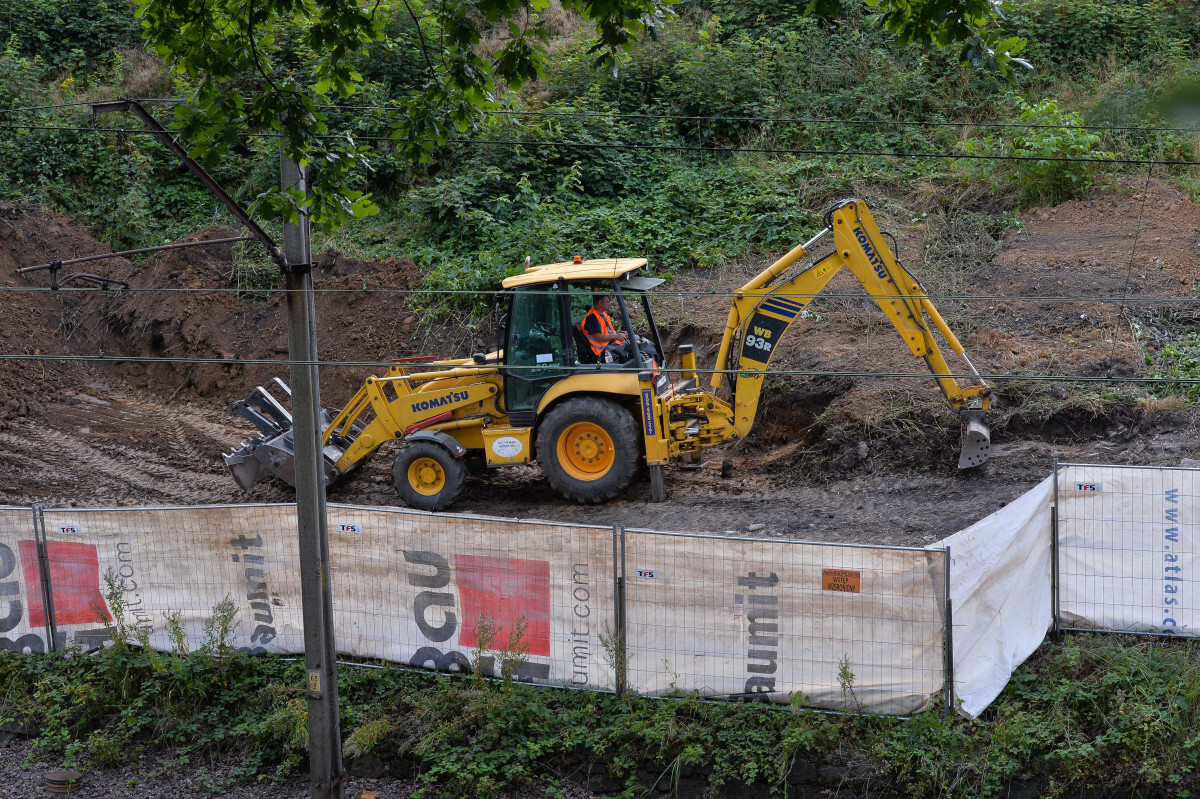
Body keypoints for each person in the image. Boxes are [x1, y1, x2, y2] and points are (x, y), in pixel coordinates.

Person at [582, 293, 631, 363]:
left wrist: (621, 334)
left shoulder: (603, 314)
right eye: (607, 302)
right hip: (600, 350)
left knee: (633, 347)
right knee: (623, 355)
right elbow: (598, 337)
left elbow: (608, 332)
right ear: (600, 303)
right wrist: (616, 336)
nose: (609, 304)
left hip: (607, 344)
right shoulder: (592, 317)